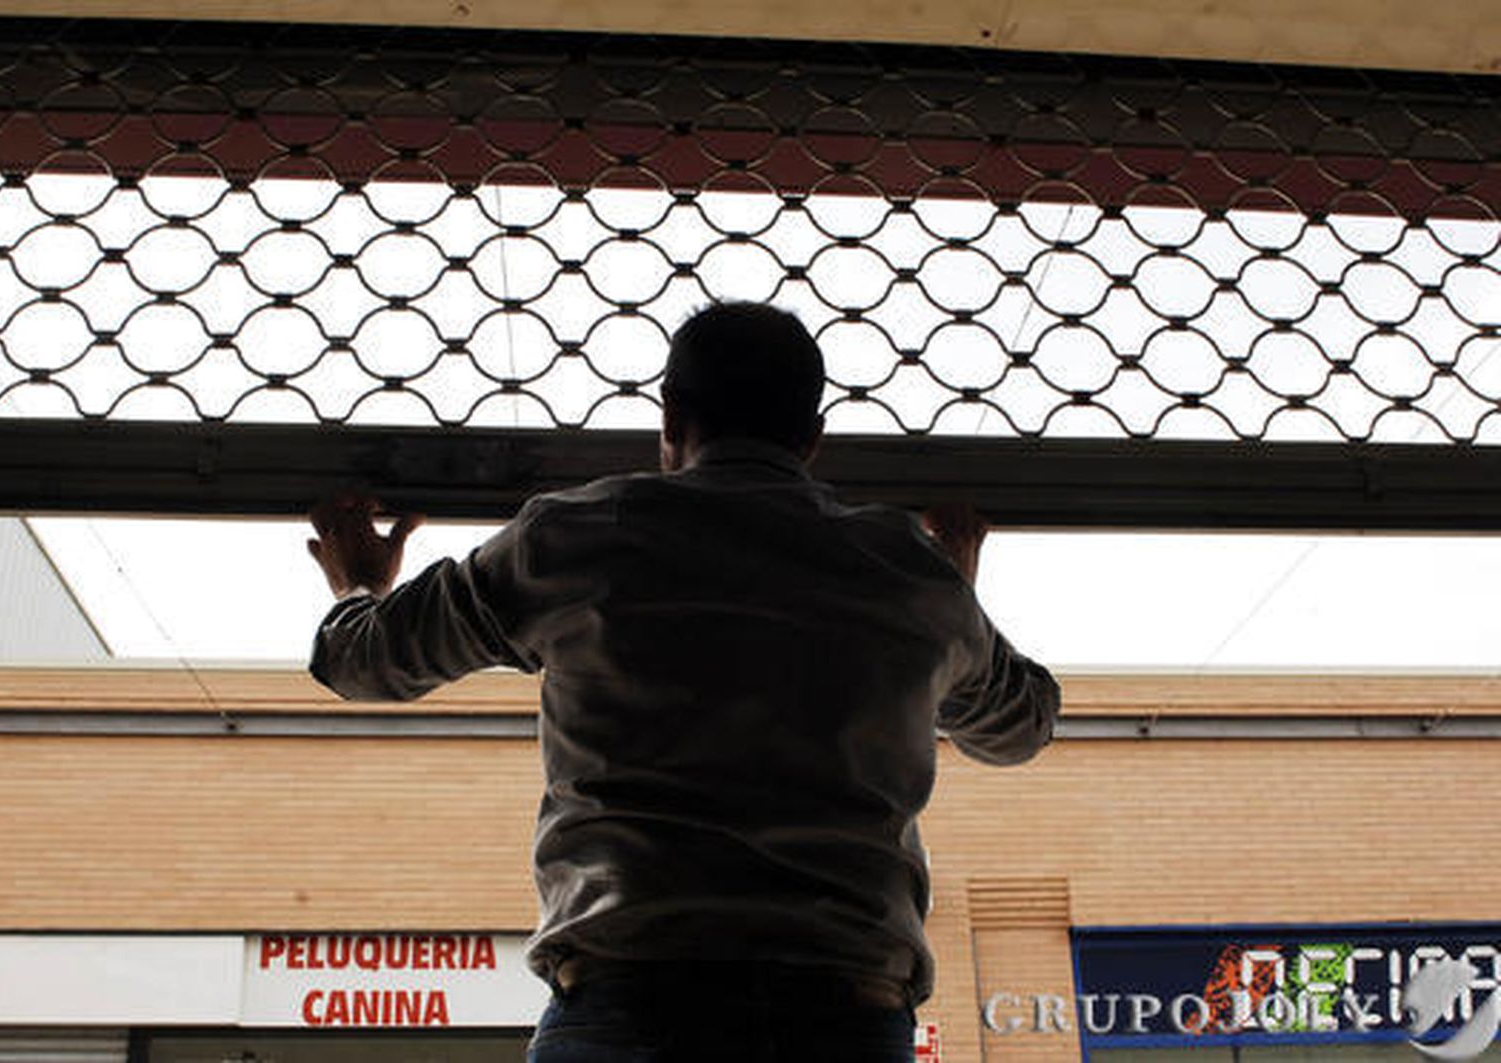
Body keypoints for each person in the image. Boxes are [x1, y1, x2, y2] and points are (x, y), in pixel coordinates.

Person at [306, 301, 1060, 1062]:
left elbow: (363, 661)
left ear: (669, 418)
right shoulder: (909, 575)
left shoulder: (576, 537)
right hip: (843, 1015)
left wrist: (358, 588)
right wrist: (953, 612)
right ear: (811, 438)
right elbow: (1023, 726)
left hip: (630, 1003)